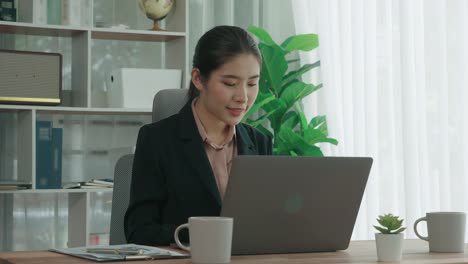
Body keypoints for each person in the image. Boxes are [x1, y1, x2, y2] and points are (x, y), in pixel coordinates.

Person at [124, 25, 272, 246]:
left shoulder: (260, 141)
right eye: (230, 83)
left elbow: (268, 220)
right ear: (198, 79)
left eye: (252, 83)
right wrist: (202, 234)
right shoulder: (156, 140)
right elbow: (140, 231)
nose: (243, 97)